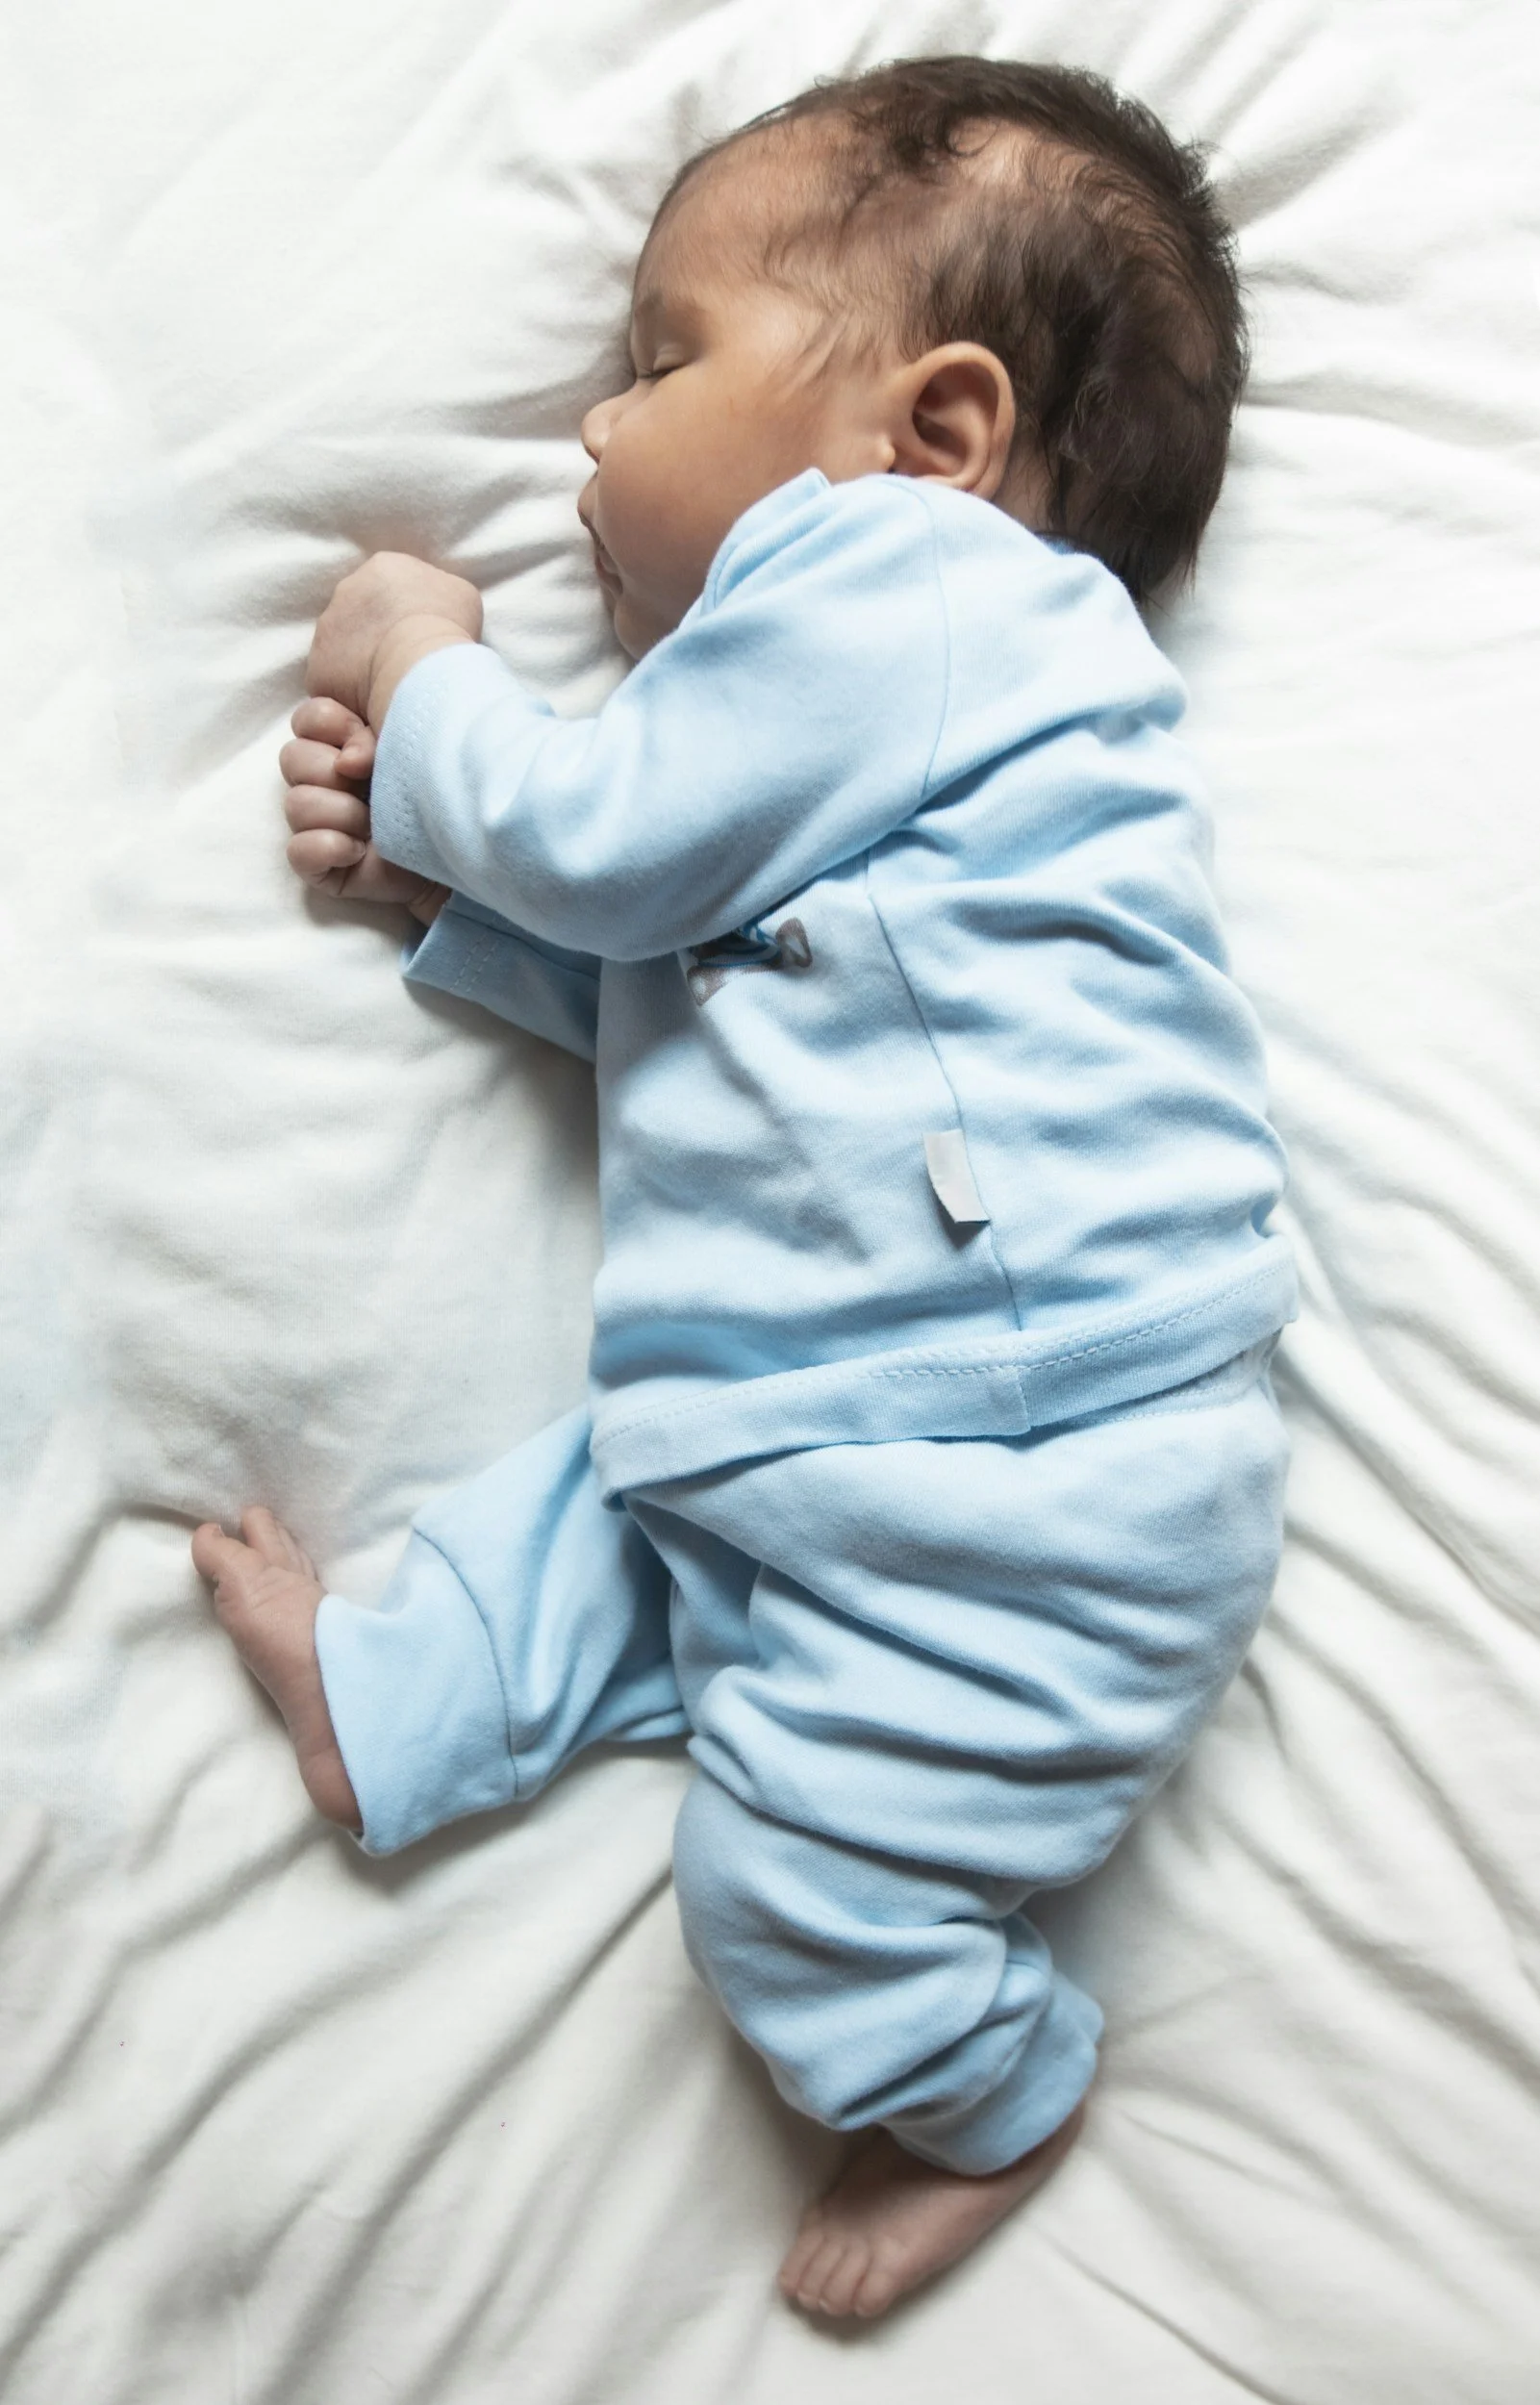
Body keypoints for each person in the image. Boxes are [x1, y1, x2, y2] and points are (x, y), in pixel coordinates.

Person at [192, 56, 1293, 2320]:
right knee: (622, 1508)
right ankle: (391, 1702)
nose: (590, 437)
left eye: (661, 357)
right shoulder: (864, 736)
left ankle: (994, 2075)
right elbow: (710, 981)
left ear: (939, 431)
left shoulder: (917, 586)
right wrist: (446, 897)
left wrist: (425, 678)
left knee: (783, 1885)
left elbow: (611, 849)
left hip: (1030, 1460)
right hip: (859, 1408)